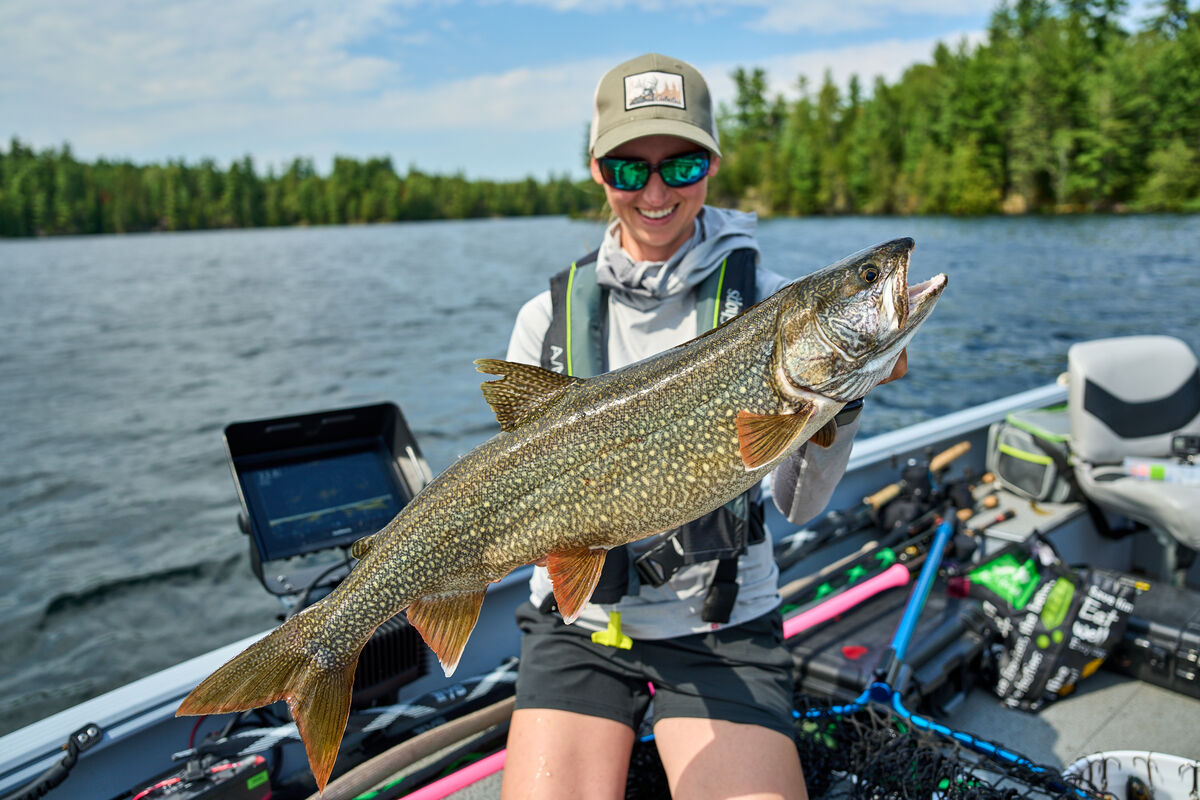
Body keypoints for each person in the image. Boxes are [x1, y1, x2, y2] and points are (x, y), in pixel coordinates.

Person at [499, 53, 905, 800]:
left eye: (679, 165)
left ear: (711, 166)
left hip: (721, 625)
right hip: (579, 624)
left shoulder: (777, 305)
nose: (654, 192)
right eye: (629, 170)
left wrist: (840, 404)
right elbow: (510, 491)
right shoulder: (544, 320)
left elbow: (800, 506)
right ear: (598, 172)